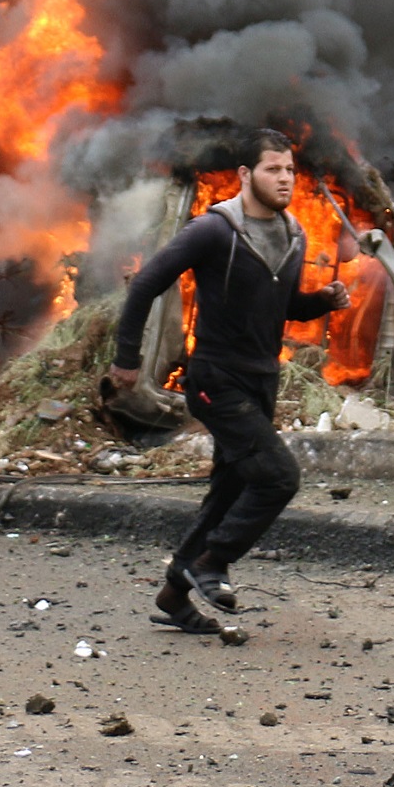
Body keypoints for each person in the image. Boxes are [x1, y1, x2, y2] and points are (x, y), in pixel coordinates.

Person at [108, 128, 350, 632]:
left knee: (229, 488)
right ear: (245, 174)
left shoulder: (293, 234)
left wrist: (321, 302)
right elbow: (147, 284)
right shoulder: (215, 230)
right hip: (214, 379)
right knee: (279, 477)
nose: (284, 179)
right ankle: (211, 564)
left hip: (262, 379)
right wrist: (127, 359)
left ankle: (175, 595)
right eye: (272, 170)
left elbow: (285, 308)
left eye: (289, 170)